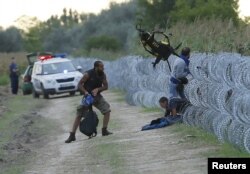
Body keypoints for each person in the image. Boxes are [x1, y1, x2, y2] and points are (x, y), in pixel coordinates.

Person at [65, 61, 112, 143]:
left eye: (103, 66)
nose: (103, 68)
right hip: (87, 97)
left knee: (107, 110)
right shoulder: (87, 74)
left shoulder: (103, 75)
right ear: (96, 67)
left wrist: (98, 89)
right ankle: (72, 135)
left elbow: (106, 86)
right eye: (101, 67)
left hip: (97, 97)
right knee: (79, 114)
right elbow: (79, 85)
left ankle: (104, 130)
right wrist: (85, 92)